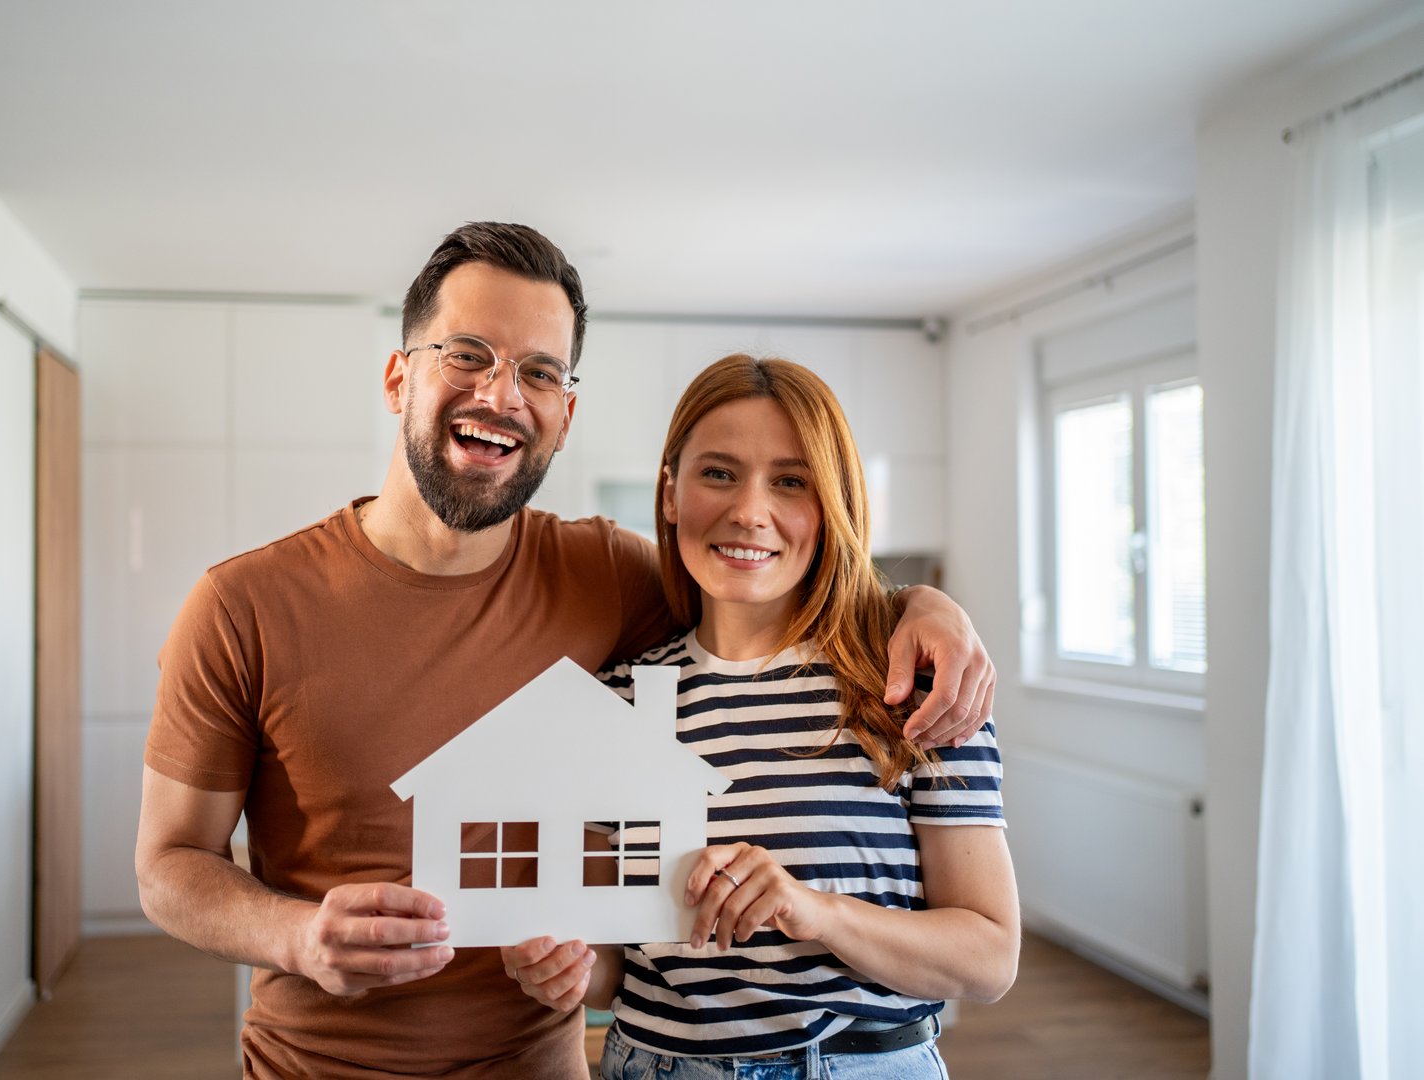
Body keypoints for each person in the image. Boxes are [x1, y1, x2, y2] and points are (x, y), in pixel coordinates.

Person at [135, 222, 998, 1080]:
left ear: (565, 412)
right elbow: (169, 866)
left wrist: (921, 605)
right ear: (400, 376)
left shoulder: (611, 579)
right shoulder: (241, 605)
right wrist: (296, 936)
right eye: (467, 353)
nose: (502, 394)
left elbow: (769, 583)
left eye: (538, 371)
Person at [501, 355, 1020, 1078]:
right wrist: (565, 968)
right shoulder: (614, 703)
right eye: (717, 473)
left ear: (831, 504)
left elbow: (990, 958)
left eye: (790, 481)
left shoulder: (916, 686)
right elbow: (622, 970)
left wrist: (815, 911)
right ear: (671, 493)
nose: (749, 510)